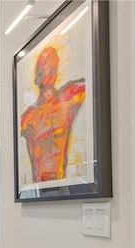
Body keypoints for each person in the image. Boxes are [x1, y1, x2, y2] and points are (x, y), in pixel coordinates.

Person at [20, 46, 86, 182]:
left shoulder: (67, 99)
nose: (48, 71)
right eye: (43, 69)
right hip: (38, 187)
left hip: (61, 184)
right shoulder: (27, 118)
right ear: (36, 78)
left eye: (52, 68)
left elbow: (94, 83)